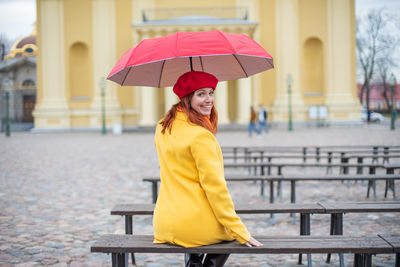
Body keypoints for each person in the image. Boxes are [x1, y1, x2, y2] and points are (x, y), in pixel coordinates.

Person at [153, 71, 262, 267]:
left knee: (220, 230)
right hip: (191, 224)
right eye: (200, 94)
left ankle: (194, 263)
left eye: (211, 93)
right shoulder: (200, 136)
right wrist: (239, 230)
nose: (209, 99)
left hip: (165, 223)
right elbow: (215, 188)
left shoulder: (163, 126)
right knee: (230, 234)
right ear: (187, 98)